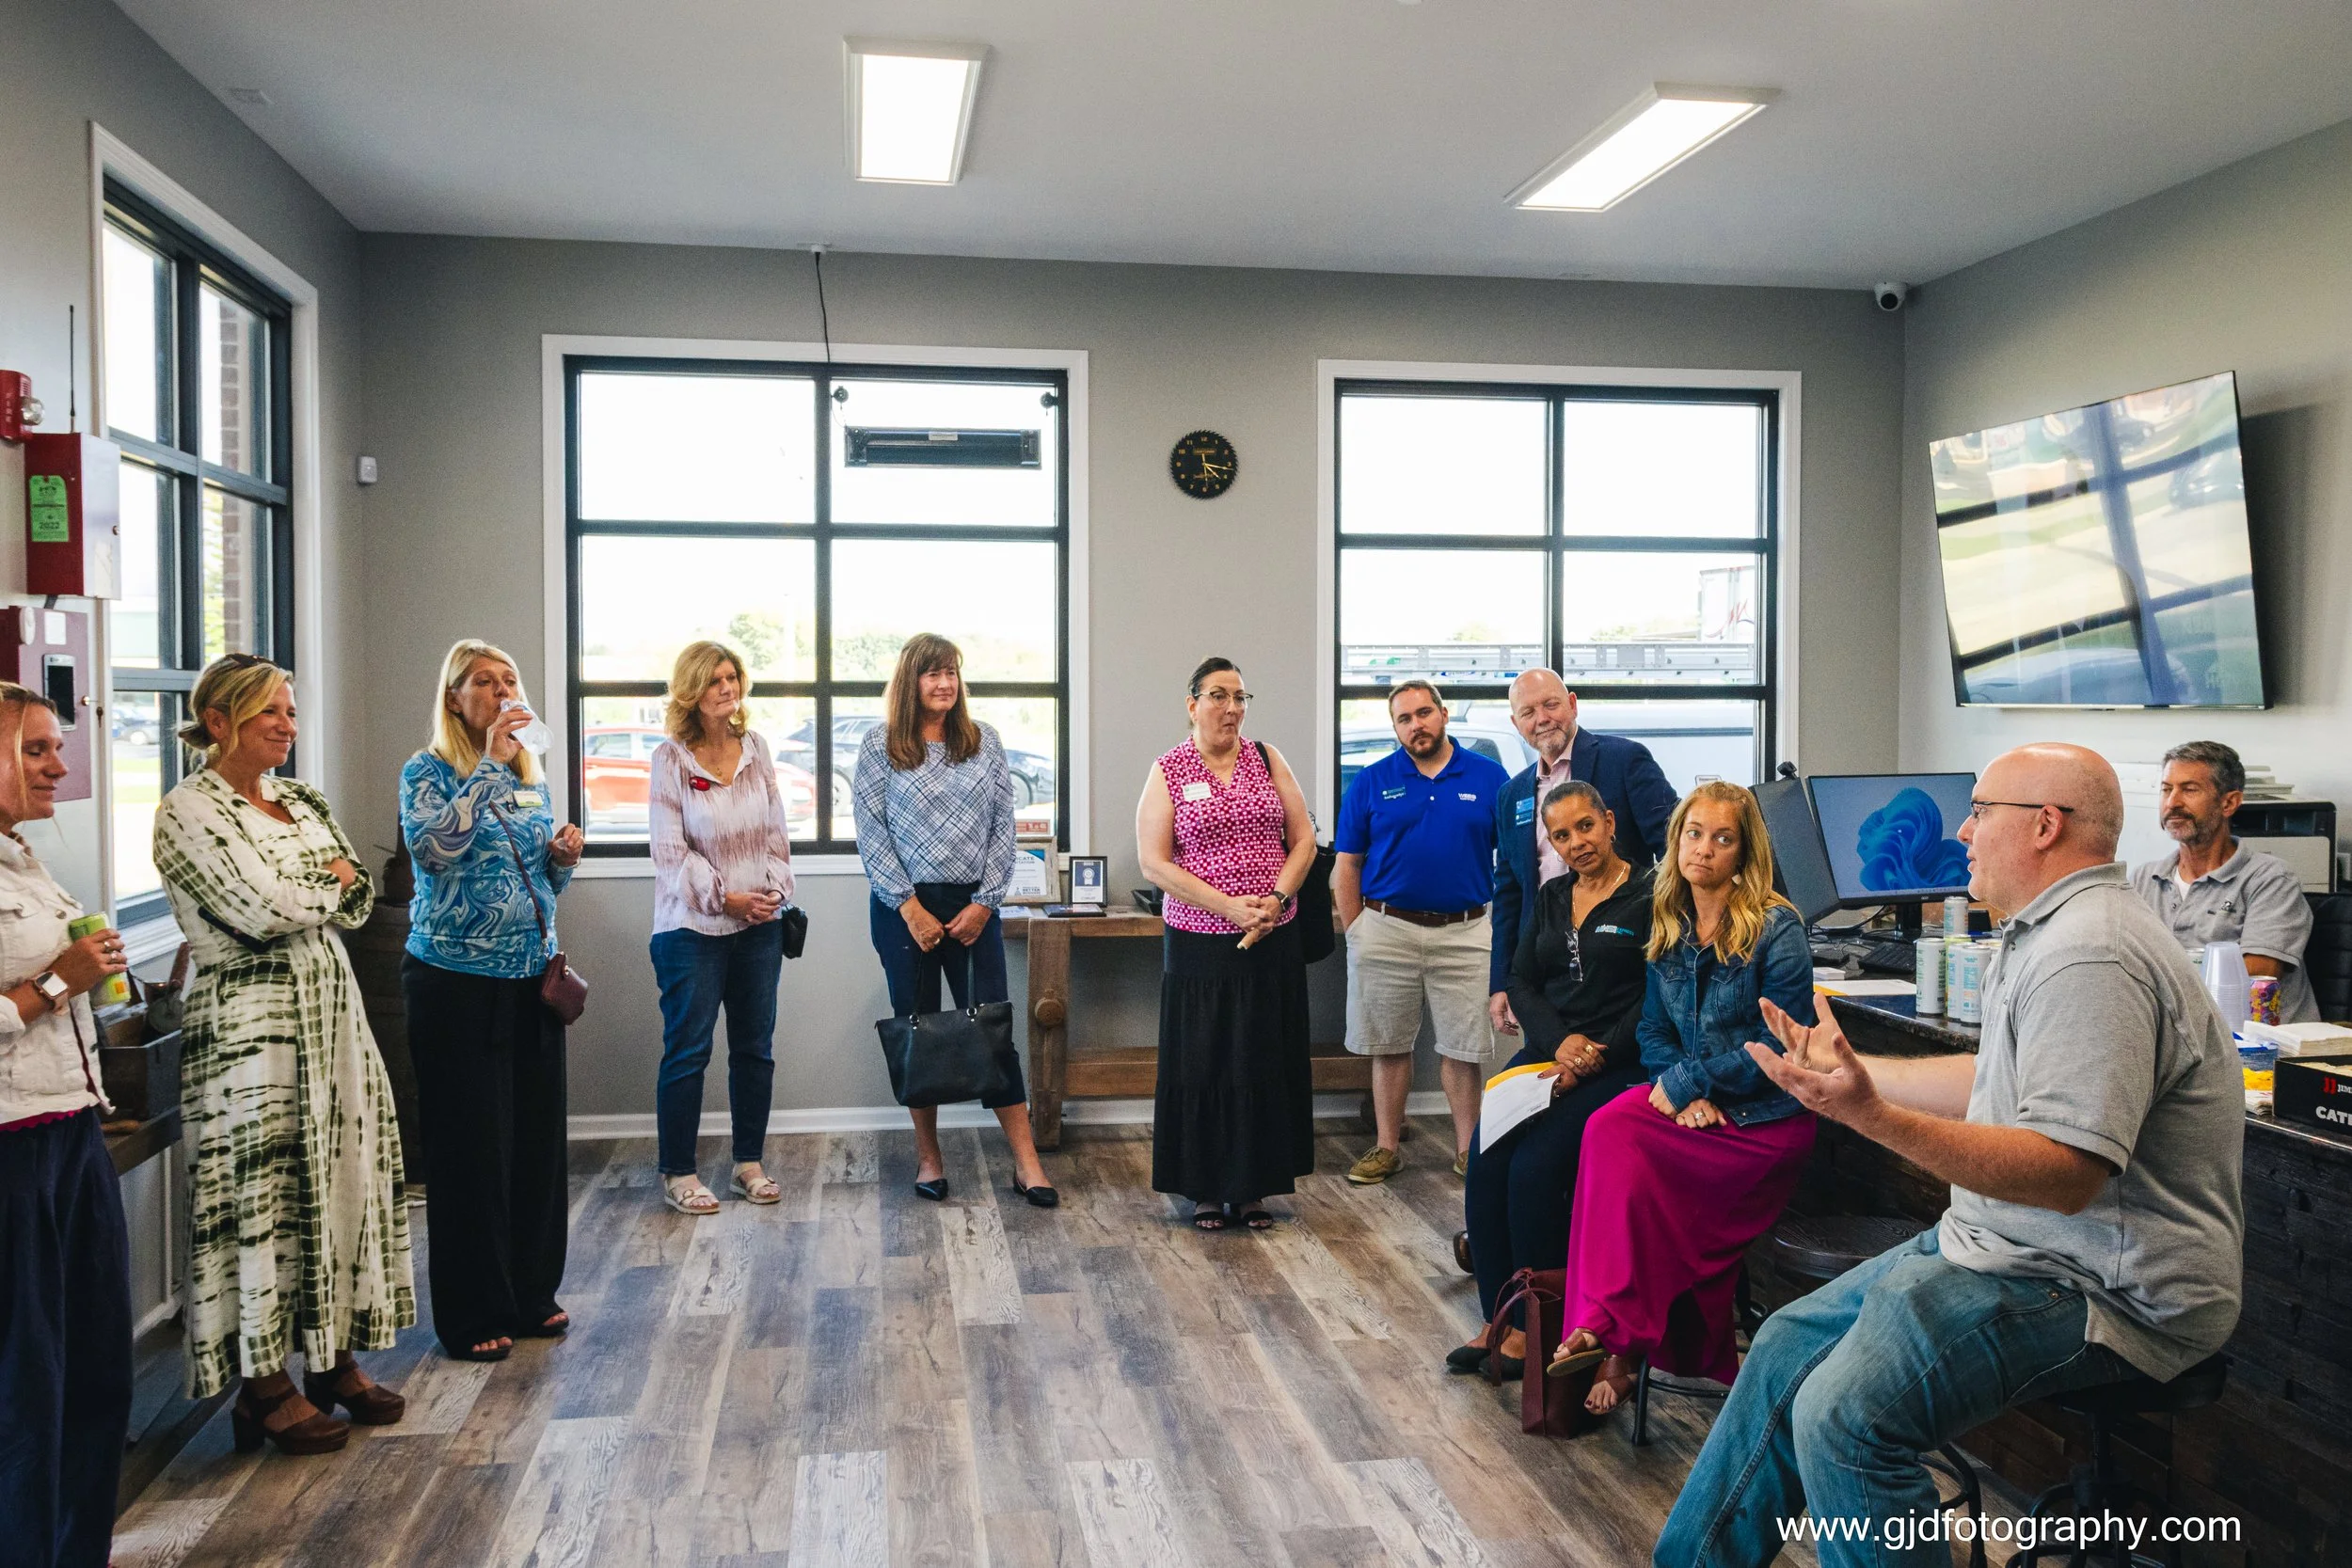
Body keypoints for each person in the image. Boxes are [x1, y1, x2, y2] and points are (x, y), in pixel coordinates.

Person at [1660, 744, 2244, 1568]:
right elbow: (1991, 1074)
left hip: (2104, 1286)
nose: (1962, 829)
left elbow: (2065, 1172)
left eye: (1981, 810)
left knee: (1843, 1416)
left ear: (2045, 825)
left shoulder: (2092, 952)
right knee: (1788, 1343)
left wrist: (1871, 1117)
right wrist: (1859, 1075)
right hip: (2009, 1244)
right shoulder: (2046, 930)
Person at [154, 655, 413, 1450]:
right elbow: (252, 910)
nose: (287, 725)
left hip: (333, 1017)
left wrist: (323, 888)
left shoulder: (303, 800)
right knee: (261, 1195)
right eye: (270, 711)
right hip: (249, 1032)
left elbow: (361, 895)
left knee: (341, 1177)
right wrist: (320, 888)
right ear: (222, 719)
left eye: (292, 712)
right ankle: (263, 1388)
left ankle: (333, 1362)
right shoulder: (185, 810)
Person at [1543, 780, 1817, 1416]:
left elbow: (1781, 1045)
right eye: (1694, 834)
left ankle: (1615, 1337)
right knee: (1608, 1129)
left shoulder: (1779, 928)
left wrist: (1691, 1084)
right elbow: (1653, 1029)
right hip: (1695, 1108)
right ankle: (1599, 1323)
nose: (1705, 849)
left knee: (1636, 1164)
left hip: (1764, 1121)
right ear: (1677, 841)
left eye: (1724, 838)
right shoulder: (1670, 919)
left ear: (1745, 851)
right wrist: (1677, 1088)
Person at [400, 641, 585, 1361]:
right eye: (486, 681)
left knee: (535, 1144)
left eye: (510, 679)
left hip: (530, 982)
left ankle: (530, 1292)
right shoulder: (429, 771)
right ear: (455, 699)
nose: (504, 690)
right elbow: (436, 850)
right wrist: (483, 765)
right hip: (454, 985)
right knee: (471, 1150)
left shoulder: (526, 777)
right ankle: (474, 1311)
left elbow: (537, 881)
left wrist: (561, 860)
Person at [1449, 780, 1652, 1379]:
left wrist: (1596, 1052)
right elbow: (1521, 979)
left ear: (1609, 822)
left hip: (1618, 1061)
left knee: (1534, 1169)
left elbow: (1655, 994)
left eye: (1585, 827)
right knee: (1487, 1156)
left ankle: (1541, 1328)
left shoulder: (1652, 896)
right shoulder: (1552, 895)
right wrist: (1559, 1041)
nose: (1576, 843)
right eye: (1560, 835)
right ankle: (1498, 1317)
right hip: (1548, 1052)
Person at [0, 683, 133, 1563]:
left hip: (75, 1129)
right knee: (28, 1385)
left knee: (97, 1371)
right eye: (38, 751)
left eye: (59, 746)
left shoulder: (23, 859)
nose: (60, 766)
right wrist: (55, 985)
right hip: (13, 1150)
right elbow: (38, 991)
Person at [853, 633, 1057, 1208]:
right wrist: (910, 907)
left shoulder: (983, 742)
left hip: (974, 905)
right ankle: (929, 1157)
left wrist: (987, 901)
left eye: (952, 672)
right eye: (932, 673)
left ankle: (1026, 1161)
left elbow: (1003, 828)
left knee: (993, 1030)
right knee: (918, 1031)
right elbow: (872, 833)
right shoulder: (879, 745)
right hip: (904, 911)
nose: (945, 683)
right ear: (910, 681)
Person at [1137, 657, 1318, 1230]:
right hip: (1199, 946)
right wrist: (1228, 906)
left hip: (1272, 938)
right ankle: (1207, 1190)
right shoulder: (1169, 769)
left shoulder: (1268, 759)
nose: (1232, 708)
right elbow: (1153, 862)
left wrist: (1278, 899)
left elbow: (1305, 837)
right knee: (1205, 1064)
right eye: (1219, 696)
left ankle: (1255, 1188)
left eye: (1241, 697)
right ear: (1192, 704)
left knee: (1263, 1059)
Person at [1333, 680, 1511, 1184]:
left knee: (1465, 1048)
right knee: (1389, 1046)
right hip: (1387, 930)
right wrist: (1358, 931)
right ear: (1396, 728)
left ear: (1444, 714)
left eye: (1424, 713)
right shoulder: (1371, 781)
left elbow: (1514, 862)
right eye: (1404, 719)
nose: (1416, 725)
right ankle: (1387, 1146)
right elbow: (1346, 866)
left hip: (1467, 931)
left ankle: (1466, 1151)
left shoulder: (1489, 776)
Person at [647, 641, 795, 1214]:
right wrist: (724, 898)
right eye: (714, 680)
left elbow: (777, 836)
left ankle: (747, 1164)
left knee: (755, 1049)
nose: (727, 687)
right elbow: (668, 850)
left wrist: (771, 895)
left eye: (732, 676)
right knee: (687, 1051)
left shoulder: (756, 749)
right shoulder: (671, 758)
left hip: (759, 926)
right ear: (692, 690)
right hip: (690, 930)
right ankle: (678, 1172)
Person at [1488, 669, 1677, 1044]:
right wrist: (1501, 982)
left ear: (1572, 704)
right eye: (1528, 713)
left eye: (1551, 704)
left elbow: (1672, 846)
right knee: (1547, 1080)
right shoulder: (1512, 795)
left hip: (1620, 968)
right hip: (1547, 973)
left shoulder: (1624, 760)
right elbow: (1509, 893)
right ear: (1516, 723)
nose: (1542, 719)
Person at [2129, 738, 2316, 1022]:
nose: (2172, 803)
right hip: (2180, 1037)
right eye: (2166, 790)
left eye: (2189, 790)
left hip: (2256, 1051)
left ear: (2229, 802)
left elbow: (2253, 981)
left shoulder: (2271, 879)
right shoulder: (2145, 878)